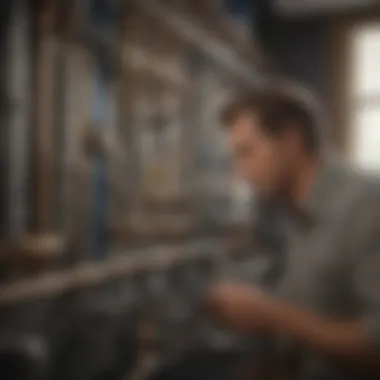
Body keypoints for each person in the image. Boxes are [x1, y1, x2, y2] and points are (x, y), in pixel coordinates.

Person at [205, 83, 380, 379]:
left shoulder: (367, 206)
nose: (239, 173)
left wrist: (273, 315)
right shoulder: (293, 216)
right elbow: (317, 324)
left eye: (247, 153)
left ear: (291, 140)